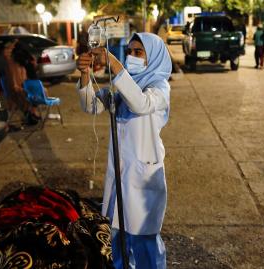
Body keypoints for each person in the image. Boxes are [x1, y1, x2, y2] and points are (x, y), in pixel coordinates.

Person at [76, 32, 171, 269]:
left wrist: (115, 64)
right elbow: (92, 106)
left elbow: (140, 104)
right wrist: (85, 74)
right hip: (119, 172)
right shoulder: (124, 87)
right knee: (116, 235)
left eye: (139, 52)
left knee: (144, 237)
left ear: (155, 57)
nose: (131, 56)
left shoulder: (159, 88)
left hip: (144, 175)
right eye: (129, 51)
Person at [3, 40, 41, 127]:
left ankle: (32, 113)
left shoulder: (18, 62)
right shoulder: (16, 62)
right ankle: (32, 113)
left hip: (23, 88)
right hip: (22, 89)